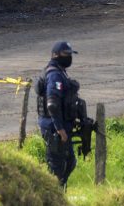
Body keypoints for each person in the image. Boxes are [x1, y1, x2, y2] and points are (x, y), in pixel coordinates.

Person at [37, 41, 80, 188]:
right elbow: (52, 105)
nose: (69, 57)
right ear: (55, 55)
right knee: (57, 169)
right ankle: (52, 197)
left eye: (70, 55)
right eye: (66, 54)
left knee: (69, 162)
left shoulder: (60, 71)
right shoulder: (54, 75)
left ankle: (60, 195)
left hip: (58, 126)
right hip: (54, 129)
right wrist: (60, 130)